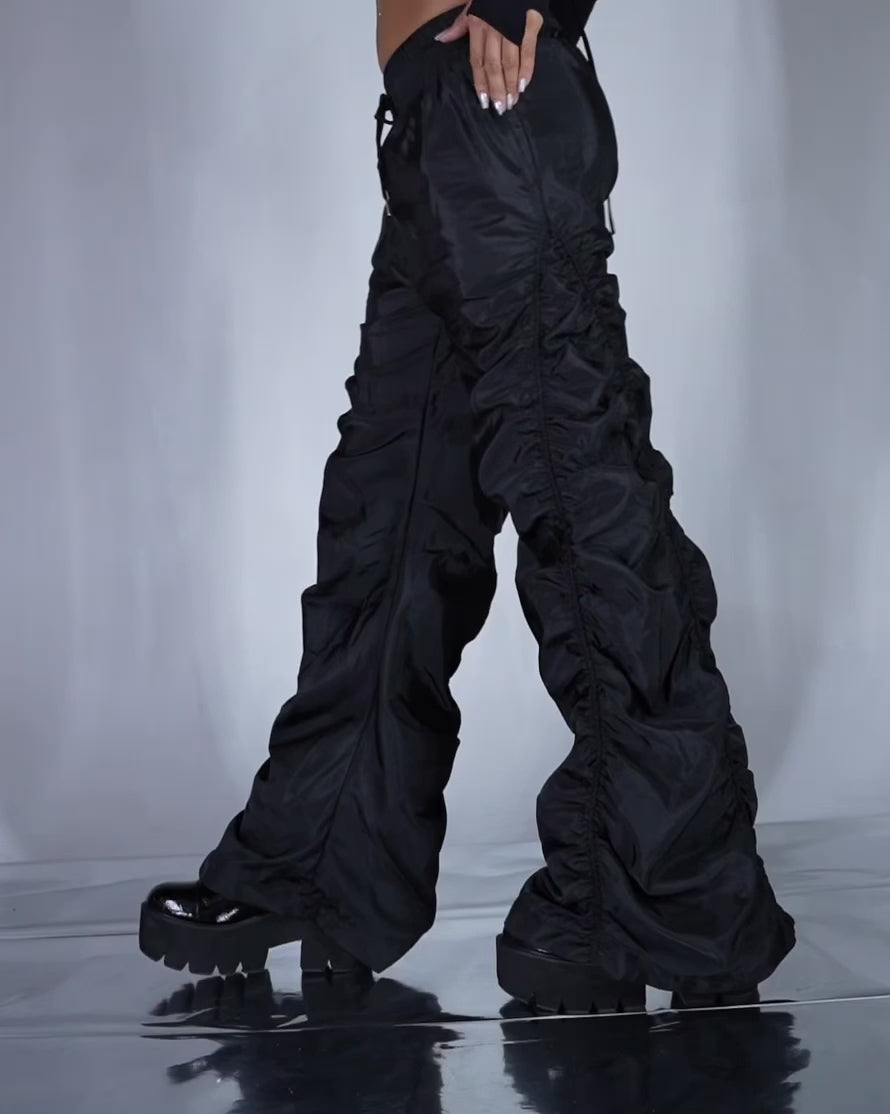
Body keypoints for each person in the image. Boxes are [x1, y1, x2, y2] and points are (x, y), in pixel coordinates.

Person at [139, 0, 796, 1014]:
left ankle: (666, 896)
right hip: (435, 126)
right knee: (391, 513)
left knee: (582, 505)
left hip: (496, 117)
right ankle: (321, 865)